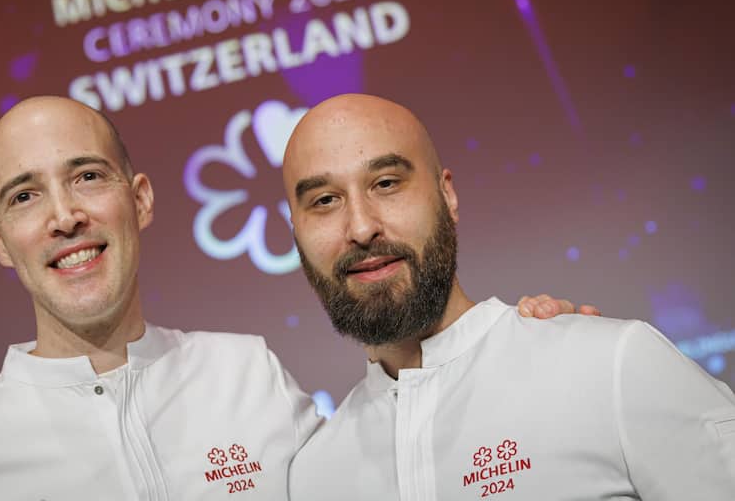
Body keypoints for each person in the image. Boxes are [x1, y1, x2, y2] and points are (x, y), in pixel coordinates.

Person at [0, 95, 586, 500]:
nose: (64, 215)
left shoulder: (248, 375)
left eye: (88, 176)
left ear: (140, 199)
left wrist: (514, 360)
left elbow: (396, 457)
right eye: (26, 196)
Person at [284, 94, 735, 500]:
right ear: (297, 234)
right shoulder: (313, 478)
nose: (361, 228)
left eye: (386, 183)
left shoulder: (612, 365)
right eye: (324, 200)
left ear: (448, 196)